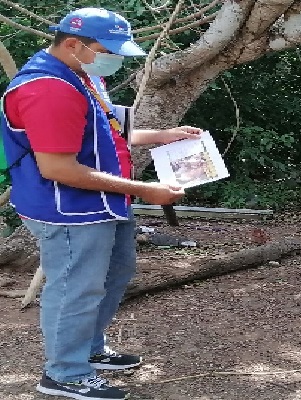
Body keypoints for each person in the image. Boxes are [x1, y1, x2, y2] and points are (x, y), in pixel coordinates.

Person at [0, 7, 204, 400]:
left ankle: (88, 349)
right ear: (73, 44)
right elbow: (58, 168)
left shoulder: (80, 74)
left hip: (103, 202)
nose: (116, 58)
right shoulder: (48, 88)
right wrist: (145, 190)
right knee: (76, 287)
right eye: (108, 49)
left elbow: (104, 127)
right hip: (68, 208)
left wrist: (161, 135)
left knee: (115, 273)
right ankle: (64, 373)